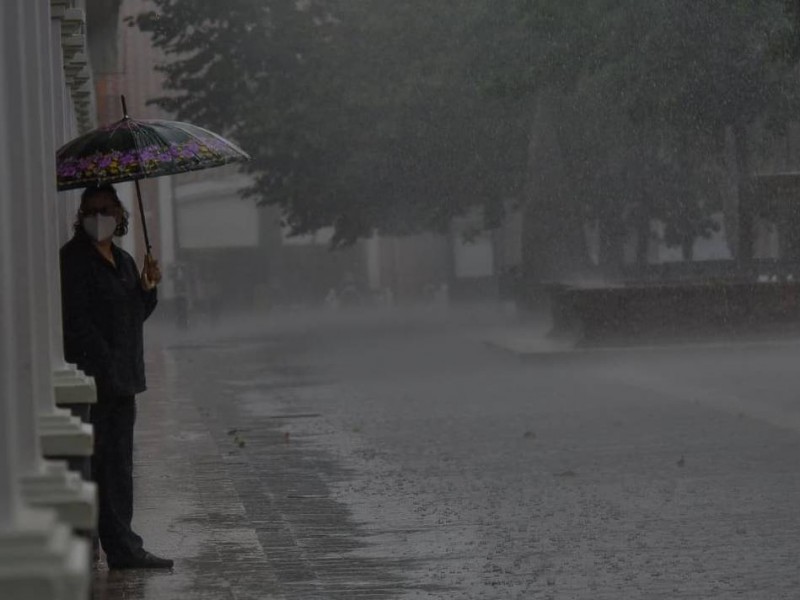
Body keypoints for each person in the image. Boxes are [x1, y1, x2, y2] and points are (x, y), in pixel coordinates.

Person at [60, 183, 173, 570]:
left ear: (121, 215)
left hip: (124, 382)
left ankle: (123, 544)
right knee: (102, 467)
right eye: (91, 210)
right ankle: (115, 546)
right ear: (80, 216)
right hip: (95, 382)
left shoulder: (123, 262)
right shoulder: (73, 261)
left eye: (106, 209)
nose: (99, 217)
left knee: (119, 467)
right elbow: (77, 324)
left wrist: (148, 286)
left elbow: (132, 317)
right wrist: (105, 365)